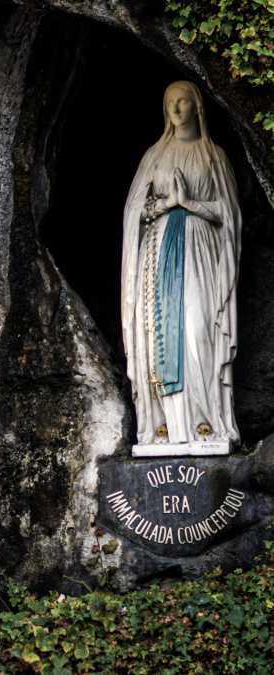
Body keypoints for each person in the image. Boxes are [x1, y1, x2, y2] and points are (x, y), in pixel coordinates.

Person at [120, 80, 241, 449]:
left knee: (197, 329)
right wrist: (159, 207)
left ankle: (207, 423)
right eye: (170, 102)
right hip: (157, 257)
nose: (176, 109)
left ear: (197, 107)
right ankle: (165, 428)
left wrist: (187, 203)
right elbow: (132, 212)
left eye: (183, 101)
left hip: (200, 253)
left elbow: (229, 214)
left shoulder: (213, 157)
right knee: (158, 332)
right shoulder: (153, 157)